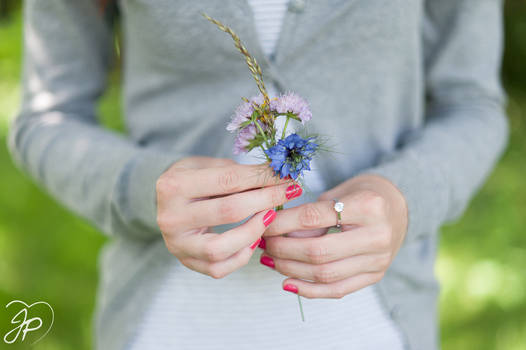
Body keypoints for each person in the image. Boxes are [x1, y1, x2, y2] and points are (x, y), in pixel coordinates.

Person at [8, 1, 508, 349]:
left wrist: (403, 197)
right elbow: (46, 118)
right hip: (165, 328)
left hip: (378, 329)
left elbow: (473, 104)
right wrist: (144, 187)